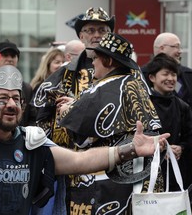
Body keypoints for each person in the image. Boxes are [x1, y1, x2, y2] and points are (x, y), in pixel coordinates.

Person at [0, 65, 169, 215]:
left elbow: (81, 161)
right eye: (2, 99)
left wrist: (131, 150)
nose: (11, 105)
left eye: (16, 99)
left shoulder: (31, 143)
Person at [59, 32, 162, 214]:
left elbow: (81, 137)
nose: (92, 63)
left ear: (108, 61)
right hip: (145, 180)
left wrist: (66, 110)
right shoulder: (137, 84)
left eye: (97, 58)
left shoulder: (102, 89)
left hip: (110, 183)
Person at [31, 7, 115, 214]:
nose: (96, 35)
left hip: (116, 164)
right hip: (75, 168)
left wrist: (77, 106)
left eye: (102, 30)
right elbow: (40, 112)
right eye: (91, 30)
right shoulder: (65, 73)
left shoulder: (125, 69)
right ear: (81, 35)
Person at [145, 53, 192, 191]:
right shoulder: (141, 104)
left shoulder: (182, 106)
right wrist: (159, 148)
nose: (171, 79)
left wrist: (181, 148)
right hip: (148, 172)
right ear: (152, 77)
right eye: (166, 74)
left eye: (174, 75)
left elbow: (189, 135)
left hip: (176, 171)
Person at [141, 32, 192, 107]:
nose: (180, 51)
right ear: (162, 48)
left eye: (173, 74)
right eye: (176, 47)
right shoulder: (141, 76)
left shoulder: (188, 74)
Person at [0, 39, 34, 126]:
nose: (9, 59)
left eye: (13, 56)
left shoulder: (26, 88)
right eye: (5, 55)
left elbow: (32, 117)